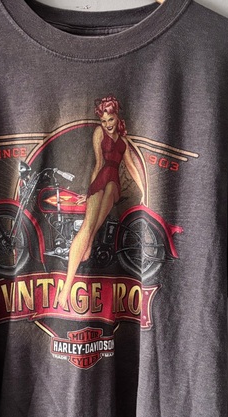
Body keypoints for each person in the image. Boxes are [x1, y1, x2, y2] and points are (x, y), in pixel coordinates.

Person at [57, 95, 145, 310]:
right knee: (88, 226)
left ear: (117, 117)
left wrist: (144, 191)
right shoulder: (99, 133)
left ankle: (87, 244)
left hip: (113, 184)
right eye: (104, 121)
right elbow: (98, 164)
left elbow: (131, 167)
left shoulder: (123, 142)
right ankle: (66, 288)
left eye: (110, 120)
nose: (107, 124)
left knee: (110, 190)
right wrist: (88, 192)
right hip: (101, 179)